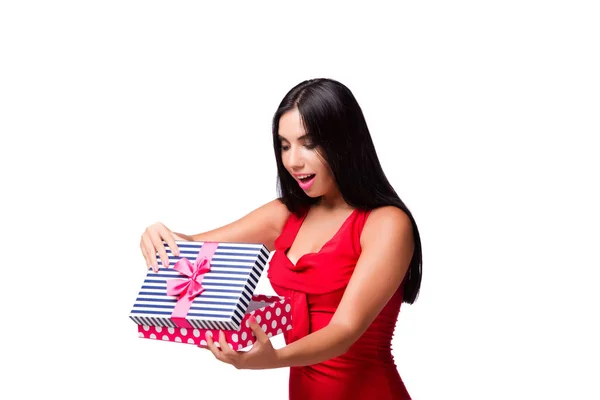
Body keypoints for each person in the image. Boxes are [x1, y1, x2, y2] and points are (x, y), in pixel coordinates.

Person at [139, 78, 422, 399]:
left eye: (308, 143)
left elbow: (344, 331)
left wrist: (273, 359)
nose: (292, 161)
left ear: (345, 141)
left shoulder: (386, 223)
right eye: (284, 145)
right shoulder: (284, 215)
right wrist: (157, 236)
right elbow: (192, 249)